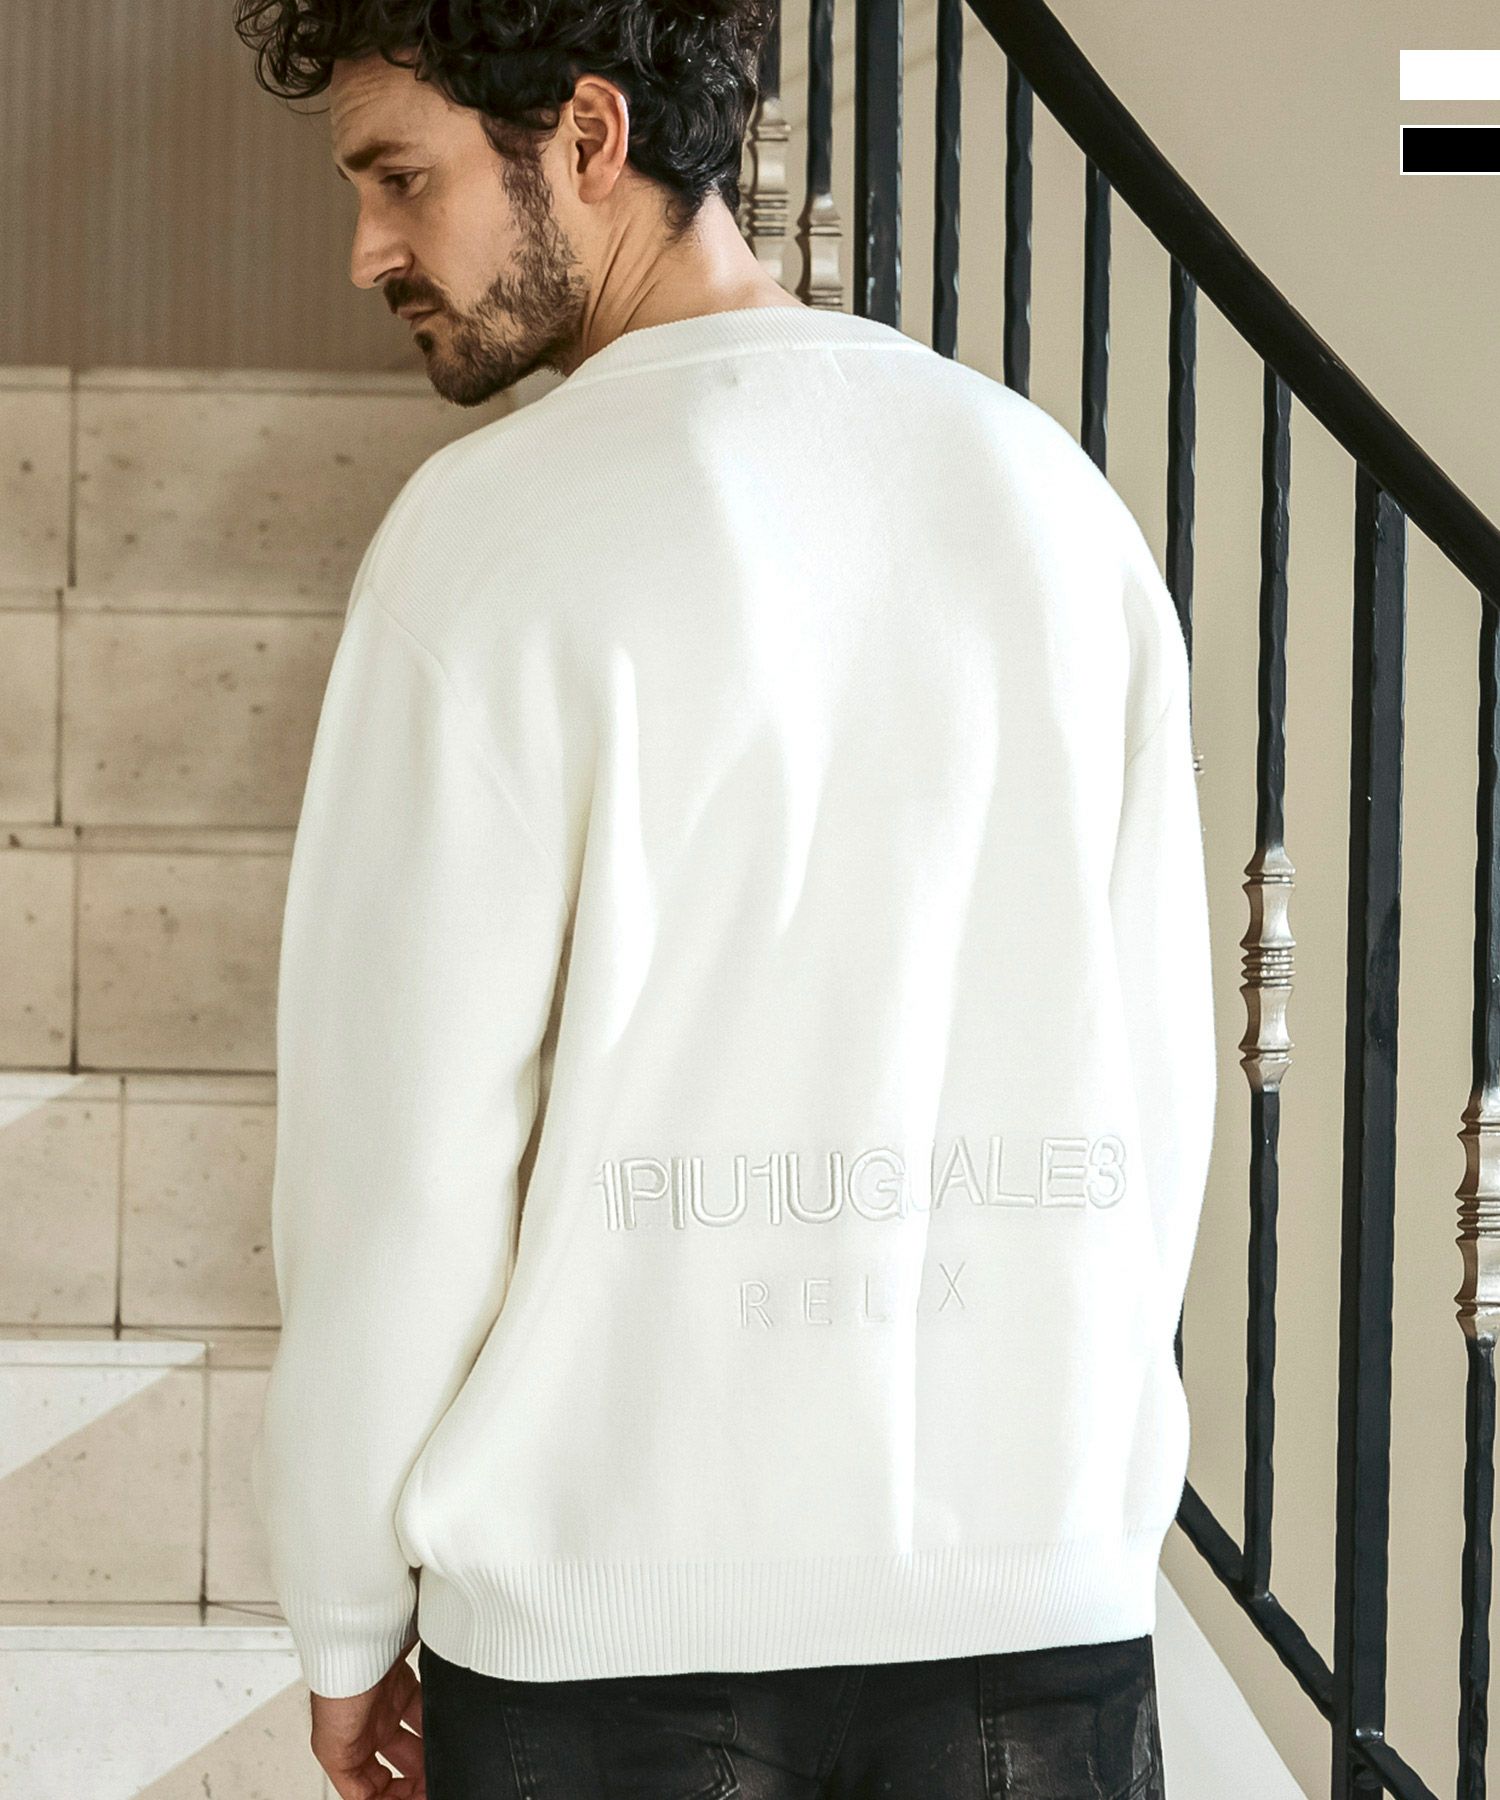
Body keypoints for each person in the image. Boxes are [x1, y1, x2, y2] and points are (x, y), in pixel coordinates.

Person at [231, 2, 1217, 1796]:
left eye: (401, 178)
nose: (369, 248)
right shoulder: (1045, 496)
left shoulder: (487, 539)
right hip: (1036, 1617)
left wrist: (345, 1615)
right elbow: (1156, 1092)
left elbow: (400, 1163)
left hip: (609, 1646)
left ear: (588, 139)